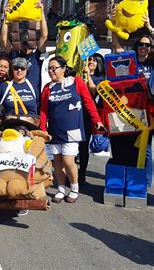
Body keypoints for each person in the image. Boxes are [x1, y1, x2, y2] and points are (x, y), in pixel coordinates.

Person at [40, 56, 104, 203]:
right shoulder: (47, 88)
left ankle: (74, 188)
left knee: (68, 160)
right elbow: (43, 110)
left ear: (63, 69)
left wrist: (97, 120)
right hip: (55, 130)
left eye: (54, 68)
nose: (51, 71)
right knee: (57, 162)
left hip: (72, 129)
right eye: (49, 68)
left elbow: (88, 102)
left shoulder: (76, 82)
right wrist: (43, 129)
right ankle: (61, 189)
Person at [112, 33, 153, 187]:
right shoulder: (130, 61)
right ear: (137, 46)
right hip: (130, 112)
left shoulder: (152, 64)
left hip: (148, 113)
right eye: (141, 44)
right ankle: (129, 180)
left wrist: (149, 28)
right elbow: (117, 46)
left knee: (147, 150)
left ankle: (145, 184)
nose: (144, 47)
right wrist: (114, 28)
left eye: (147, 45)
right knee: (130, 148)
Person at [1, 0, 48, 94]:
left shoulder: (37, 56)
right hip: (15, 97)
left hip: (33, 100)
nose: (26, 45)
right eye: (23, 43)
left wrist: (41, 13)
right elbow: (3, 39)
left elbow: (44, 36)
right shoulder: (15, 55)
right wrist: (6, 18)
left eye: (28, 42)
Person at [78, 53, 105, 184]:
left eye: (95, 60)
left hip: (88, 116)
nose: (91, 62)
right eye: (90, 59)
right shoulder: (79, 74)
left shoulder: (101, 78)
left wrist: (88, 75)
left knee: (83, 146)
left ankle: (81, 173)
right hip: (76, 113)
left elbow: (94, 92)